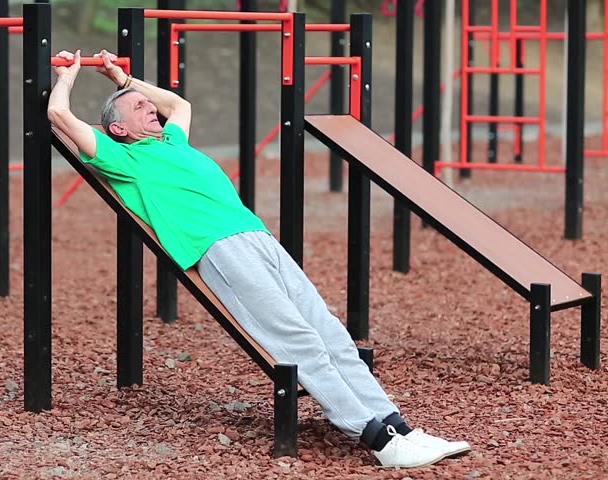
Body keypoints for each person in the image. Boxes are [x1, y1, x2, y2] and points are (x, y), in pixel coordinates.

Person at [47, 49, 471, 469]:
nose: (151, 108)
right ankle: (376, 438)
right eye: (139, 108)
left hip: (258, 237)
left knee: (330, 333)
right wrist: (71, 75)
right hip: (217, 248)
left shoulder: (173, 140)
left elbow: (179, 104)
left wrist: (120, 78)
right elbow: (60, 117)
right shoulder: (123, 158)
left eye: (147, 103)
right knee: (298, 340)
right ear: (117, 127)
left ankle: (399, 427)